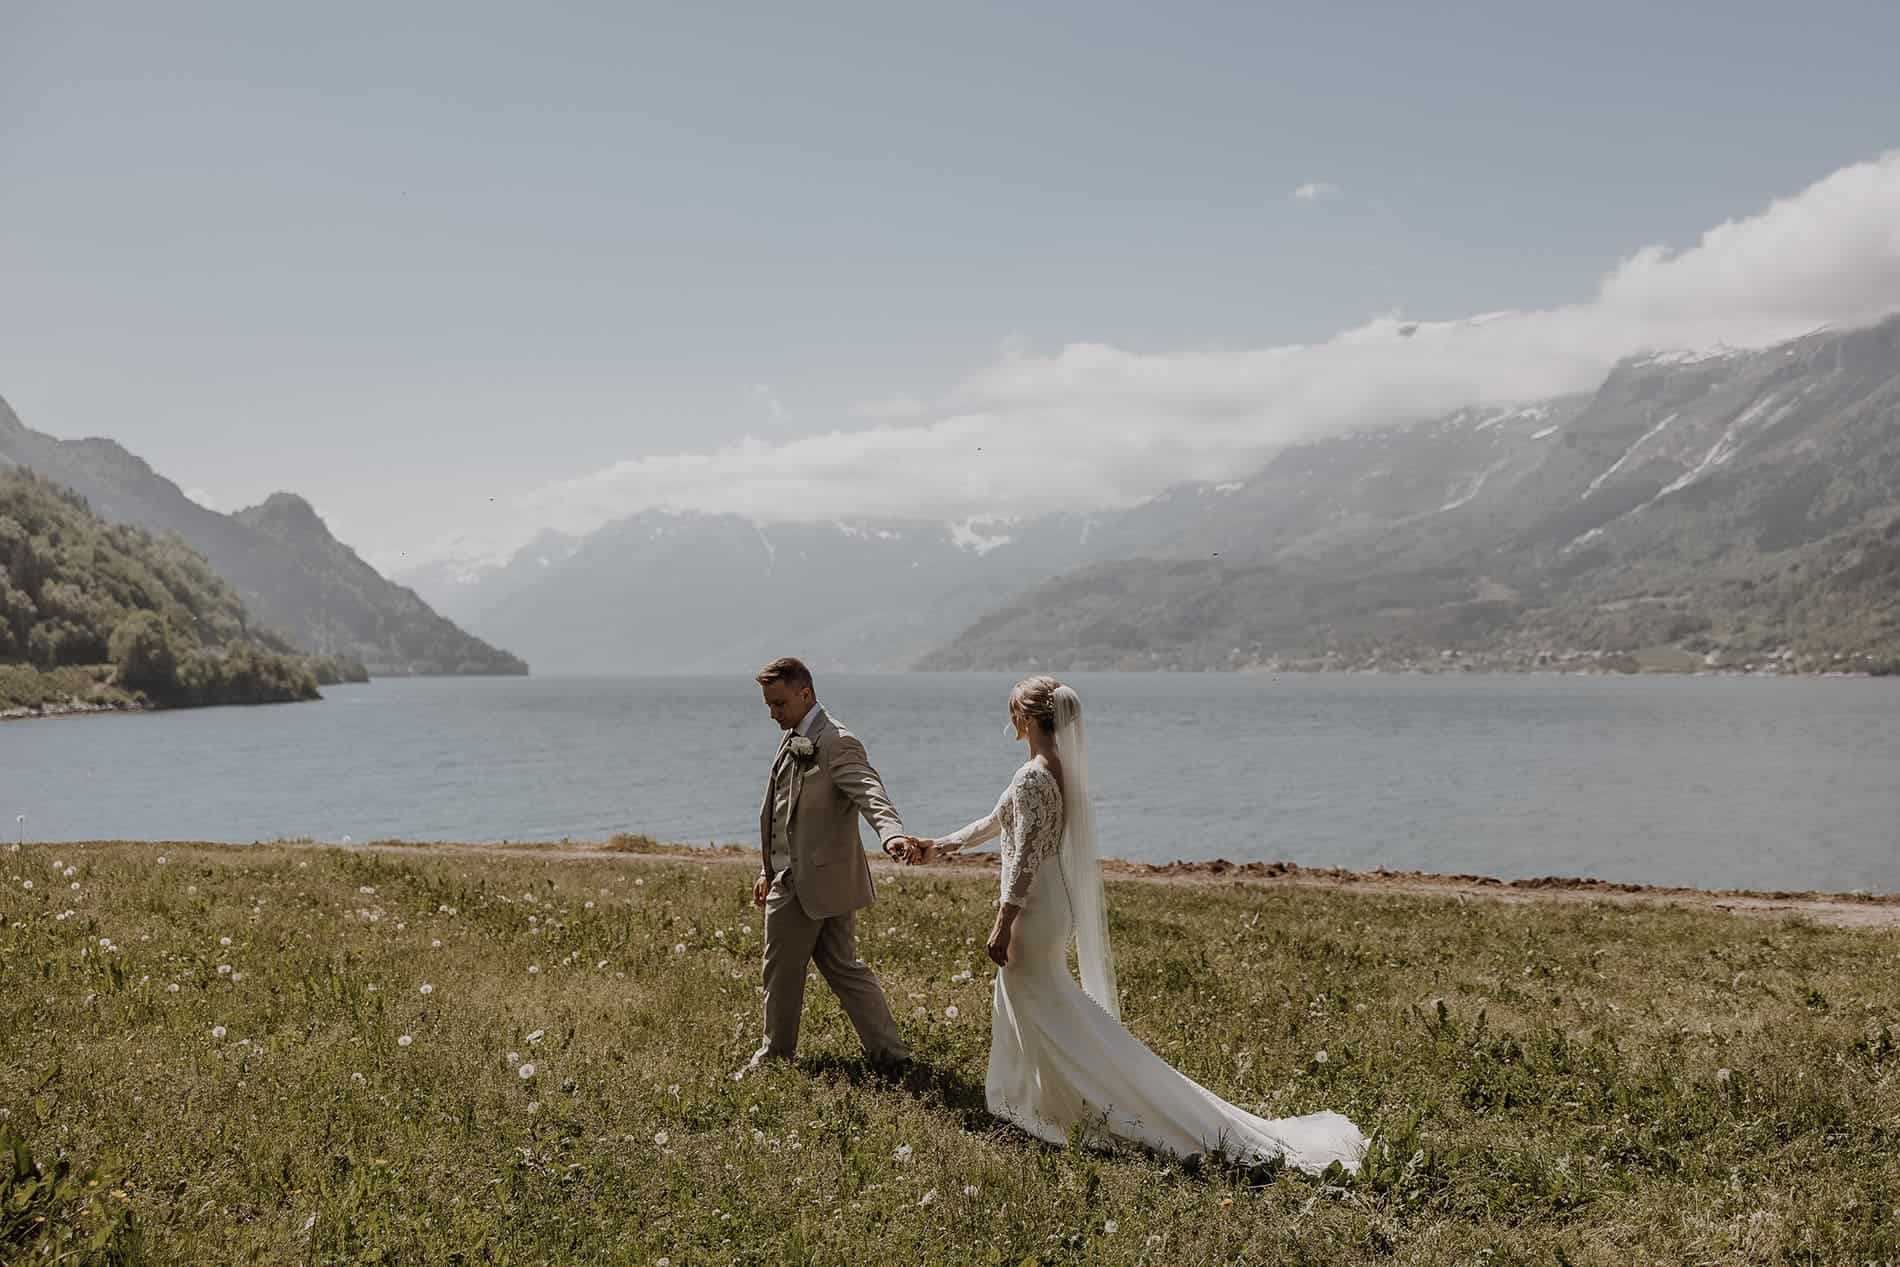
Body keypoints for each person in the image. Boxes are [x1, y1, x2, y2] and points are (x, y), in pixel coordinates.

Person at [894, 676, 1367, 1174]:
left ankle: (1082, 1101)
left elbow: (1026, 857)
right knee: (1042, 1002)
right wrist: (936, 845)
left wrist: (1003, 919)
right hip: (1051, 902)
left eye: (1013, 712)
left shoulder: (1035, 775)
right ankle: (1045, 1097)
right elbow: (995, 823)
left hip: (1032, 906)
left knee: (1042, 1001)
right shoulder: (1053, 770)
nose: (1009, 721)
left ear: (1029, 718)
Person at [735, 657, 912, 1080]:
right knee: (843, 966)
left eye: (779, 704)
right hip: (811, 877)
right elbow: (784, 813)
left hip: (806, 883)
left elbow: (870, 791)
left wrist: (891, 834)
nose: (773, 714)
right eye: (768, 706)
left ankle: (774, 1058)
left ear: (805, 694)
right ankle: (892, 1056)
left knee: (779, 970)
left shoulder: (836, 742)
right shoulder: (798, 734)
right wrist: (767, 868)